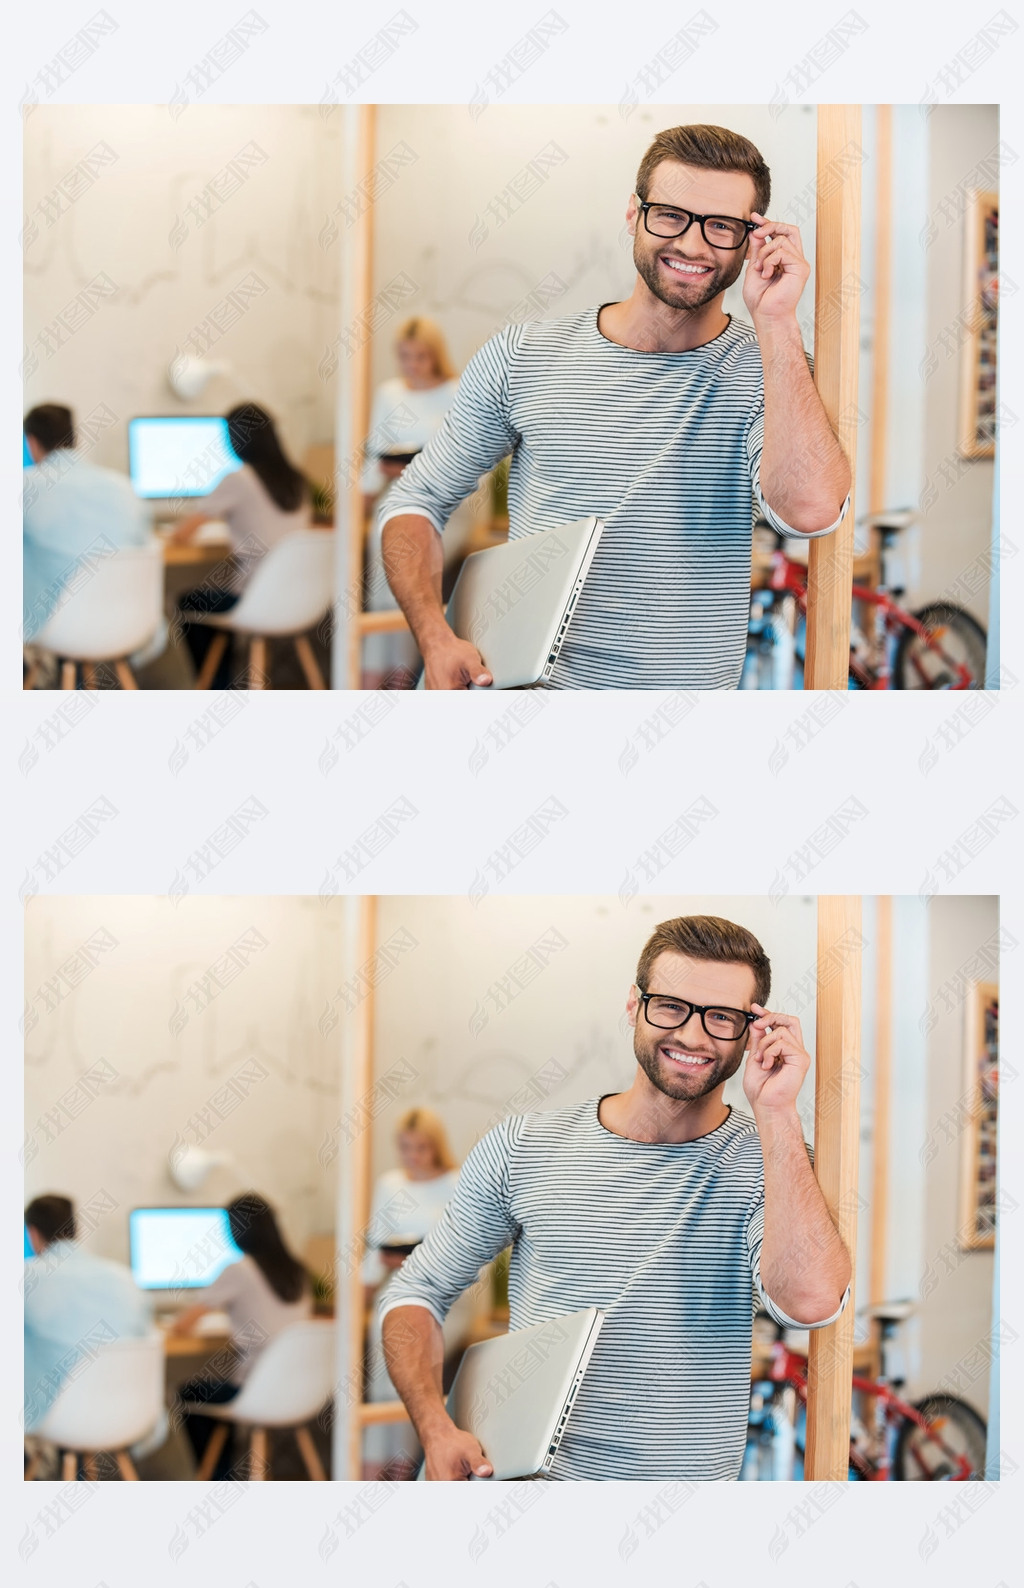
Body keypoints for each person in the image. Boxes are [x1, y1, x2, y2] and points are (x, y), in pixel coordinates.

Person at [379, 124, 852, 689]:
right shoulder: (524, 355)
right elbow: (416, 499)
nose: (694, 245)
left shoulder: (775, 370)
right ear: (634, 214)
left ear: (753, 240)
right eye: (671, 214)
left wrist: (775, 322)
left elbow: (810, 512)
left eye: (721, 226)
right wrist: (434, 636)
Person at [381, 915, 852, 1481]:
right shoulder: (524, 1146)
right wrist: (435, 1427)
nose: (694, 1036)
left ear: (753, 1031)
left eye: (722, 1017)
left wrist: (775, 1112)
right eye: (671, 1006)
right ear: (634, 1005)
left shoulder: (774, 1160)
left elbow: (811, 1304)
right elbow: (416, 1291)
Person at [170, 403, 313, 687]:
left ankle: (217, 686)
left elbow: (182, 534)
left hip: (255, 599)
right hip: (300, 601)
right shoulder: (297, 479)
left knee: (187, 600)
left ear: (236, 440)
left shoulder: (238, 478)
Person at [171, 1192, 312, 1478]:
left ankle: (217, 1476)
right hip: (300, 1392)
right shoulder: (297, 1270)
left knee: (188, 1391)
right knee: (217, 1386)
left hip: (256, 1390)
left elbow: (183, 1325)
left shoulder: (239, 1270)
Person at [361, 1107, 466, 1478]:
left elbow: (471, 1250)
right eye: (405, 1147)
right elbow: (374, 1249)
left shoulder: (458, 1181)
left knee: (414, 1363)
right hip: (398, 1288)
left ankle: (404, 1466)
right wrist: (364, 1291)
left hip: (447, 1296)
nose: (413, 1156)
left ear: (436, 1147)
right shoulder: (390, 1184)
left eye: (421, 1147)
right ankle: (373, 1468)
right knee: (383, 1364)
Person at [359, 319, 461, 688]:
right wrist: (369, 489)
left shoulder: (455, 390)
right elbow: (373, 457)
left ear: (435, 357)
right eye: (405, 357)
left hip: (446, 503)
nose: (412, 365)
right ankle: (373, 678)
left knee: (411, 580)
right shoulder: (388, 393)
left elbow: (470, 458)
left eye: (420, 357)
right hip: (396, 496)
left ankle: (398, 679)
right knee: (383, 580)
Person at [22, 404, 152, 648]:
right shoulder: (124, 486)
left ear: (31, 443)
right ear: (74, 438)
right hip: (128, 624)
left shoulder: (25, 486)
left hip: (57, 628)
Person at [23, 1194, 152, 1438]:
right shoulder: (124, 1277)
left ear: (32, 1233)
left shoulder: (27, 1278)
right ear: (75, 1230)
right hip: (129, 1415)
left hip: (57, 1419)